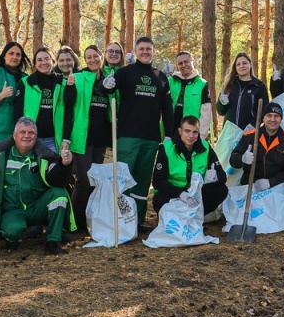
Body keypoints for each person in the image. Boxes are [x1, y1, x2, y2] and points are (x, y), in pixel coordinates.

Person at [101, 36, 174, 227]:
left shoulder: (161, 77)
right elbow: (109, 89)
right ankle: (120, 221)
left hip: (151, 138)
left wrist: (169, 134)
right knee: (124, 179)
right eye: (141, 49)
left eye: (148, 49)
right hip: (127, 135)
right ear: (136, 50)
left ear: (153, 51)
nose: (145, 52)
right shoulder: (126, 72)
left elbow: (167, 108)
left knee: (142, 182)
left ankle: (138, 220)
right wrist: (106, 84)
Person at [0, 117, 73, 255]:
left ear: (36, 136)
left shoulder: (45, 155)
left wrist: (64, 164)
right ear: (14, 136)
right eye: (22, 132)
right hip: (12, 210)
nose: (27, 136)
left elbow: (58, 180)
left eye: (31, 133)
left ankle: (52, 242)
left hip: (37, 207)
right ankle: (12, 237)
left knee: (59, 195)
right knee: (13, 231)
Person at [71, 43, 117, 232]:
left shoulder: (109, 78)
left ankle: (89, 219)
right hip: (83, 136)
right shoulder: (80, 78)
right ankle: (74, 220)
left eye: (95, 56)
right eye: (88, 57)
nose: (92, 60)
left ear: (101, 56)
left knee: (95, 180)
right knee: (83, 179)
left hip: (100, 137)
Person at [151, 115, 229, 217]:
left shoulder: (205, 148)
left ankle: (195, 217)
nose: (191, 136)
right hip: (174, 192)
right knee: (158, 200)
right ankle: (176, 219)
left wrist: (216, 177)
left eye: (194, 132)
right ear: (180, 131)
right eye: (187, 131)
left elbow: (223, 177)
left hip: (196, 193)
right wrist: (180, 193)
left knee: (221, 190)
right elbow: (158, 181)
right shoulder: (166, 148)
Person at [22, 46, 78, 154]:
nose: (43, 62)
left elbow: (69, 111)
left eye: (47, 59)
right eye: (39, 60)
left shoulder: (63, 82)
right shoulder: (25, 82)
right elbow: (17, 112)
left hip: (53, 139)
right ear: (35, 63)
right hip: (29, 138)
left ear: (53, 61)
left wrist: (66, 139)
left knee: (51, 170)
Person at [229, 101, 284, 189]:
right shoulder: (249, 136)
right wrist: (242, 158)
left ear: (281, 119)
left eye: (276, 116)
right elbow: (233, 159)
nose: (272, 119)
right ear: (263, 118)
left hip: (278, 189)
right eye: (269, 115)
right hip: (250, 188)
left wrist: (272, 182)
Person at [217, 52, 269, 131]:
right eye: (238, 64)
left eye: (244, 63)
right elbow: (221, 111)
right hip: (229, 133)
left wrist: (253, 125)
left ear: (250, 65)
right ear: (235, 67)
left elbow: (264, 110)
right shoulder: (229, 85)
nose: (241, 66)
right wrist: (222, 103)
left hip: (249, 132)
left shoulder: (259, 86)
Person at [168, 51, 212, 139]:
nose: (184, 65)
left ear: (193, 61)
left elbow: (206, 113)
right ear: (177, 66)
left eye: (186, 61)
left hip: (191, 134)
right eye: (180, 63)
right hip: (171, 132)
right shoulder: (170, 82)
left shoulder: (202, 84)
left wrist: (201, 135)